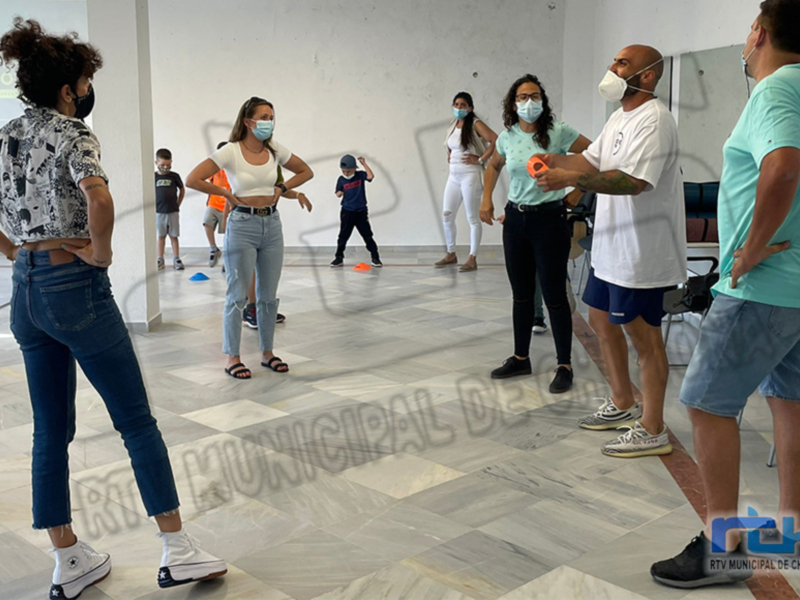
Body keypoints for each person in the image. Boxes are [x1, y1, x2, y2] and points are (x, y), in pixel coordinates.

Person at [0, 18, 226, 599]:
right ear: (69, 87)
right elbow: (99, 196)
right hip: (73, 287)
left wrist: (17, 253)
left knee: (50, 429)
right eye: (85, 79)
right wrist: (99, 256)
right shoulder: (74, 133)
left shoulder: (7, 134)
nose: (87, 88)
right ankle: (178, 550)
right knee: (135, 420)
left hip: (25, 292)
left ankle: (67, 556)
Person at [652, 0, 800, 588]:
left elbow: (784, 168)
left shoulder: (776, 89)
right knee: (790, 406)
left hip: (762, 288)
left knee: (707, 402)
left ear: (760, 32)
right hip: (794, 291)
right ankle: (790, 529)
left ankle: (724, 546)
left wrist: (750, 248)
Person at [535, 45, 686, 457]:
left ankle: (652, 428)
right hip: (610, 247)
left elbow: (631, 182)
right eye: (613, 62)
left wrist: (572, 178)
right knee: (600, 318)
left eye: (622, 64)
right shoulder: (620, 116)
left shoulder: (655, 121)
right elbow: (590, 159)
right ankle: (622, 402)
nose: (612, 69)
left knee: (644, 338)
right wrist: (553, 160)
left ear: (649, 76)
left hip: (641, 252)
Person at [186, 96, 313, 379]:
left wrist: (281, 187)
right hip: (242, 224)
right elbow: (192, 179)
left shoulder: (275, 150)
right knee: (237, 295)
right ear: (248, 121)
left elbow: (306, 171)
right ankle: (233, 357)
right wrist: (226, 194)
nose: (269, 122)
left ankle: (267, 353)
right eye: (264, 117)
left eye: (271, 117)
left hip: (272, 224)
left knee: (268, 296)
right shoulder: (231, 152)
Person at [480, 74, 591, 394]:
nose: (529, 102)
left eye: (535, 96)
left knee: (555, 296)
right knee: (521, 294)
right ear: (512, 104)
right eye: (522, 97)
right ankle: (520, 357)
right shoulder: (508, 136)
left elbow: (594, 157)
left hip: (550, 221)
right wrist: (486, 198)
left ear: (543, 100)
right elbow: (494, 166)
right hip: (516, 221)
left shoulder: (559, 132)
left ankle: (564, 365)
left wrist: (578, 190)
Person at [436, 92, 497, 272]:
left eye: (463, 105)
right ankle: (451, 253)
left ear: (470, 108)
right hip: (453, 175)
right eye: (456, 104)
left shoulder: (476, 124)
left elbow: (495, 140)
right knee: (447, 214)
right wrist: (449, 153)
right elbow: (451, 144)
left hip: (470, 175)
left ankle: (472, 258)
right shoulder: (453, 124)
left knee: (472, 218)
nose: (459, 108)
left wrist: (480, 159)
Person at [242, 166, 307, 328]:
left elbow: (280, 189)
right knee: (250, 268)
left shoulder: (273, 164)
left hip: (269, 222)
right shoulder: (244, 163)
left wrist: (298, 194)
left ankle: (264, 308)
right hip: (245, 221)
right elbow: (232, 193)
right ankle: (250, 309)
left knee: (266, 268)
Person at [331, 154, 382, 268]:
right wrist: (340, 193)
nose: (346, 174)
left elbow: (370, 176)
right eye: (344, 171)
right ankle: (339, 258)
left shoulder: (360, 175)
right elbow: (337, 193)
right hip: (347, 212)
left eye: (348, 171)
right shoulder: (341, 179)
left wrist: (364, 164)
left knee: (367, 235)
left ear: (355, 168)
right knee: (343, 236)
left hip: (361, 212)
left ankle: (375, 257)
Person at [155, 148, 185, 270]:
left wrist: (178, 203)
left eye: (168, 165)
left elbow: (182, 190)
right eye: (162, 165)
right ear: (156, 163)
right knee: (161, 236)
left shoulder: (174, 176)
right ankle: (160, 259)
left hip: (173, 211)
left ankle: (176, 258)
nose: (166, 167)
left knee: (174, 236)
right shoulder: (153, 177)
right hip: (159, 212)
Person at [204, 141, 229, 267]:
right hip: (213, 203)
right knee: (207, 222)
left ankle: (227, 256)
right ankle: (213, 248)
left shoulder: (232, 171)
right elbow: (209, 184)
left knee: (228, 232)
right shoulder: (214, 170)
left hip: (228, 206)